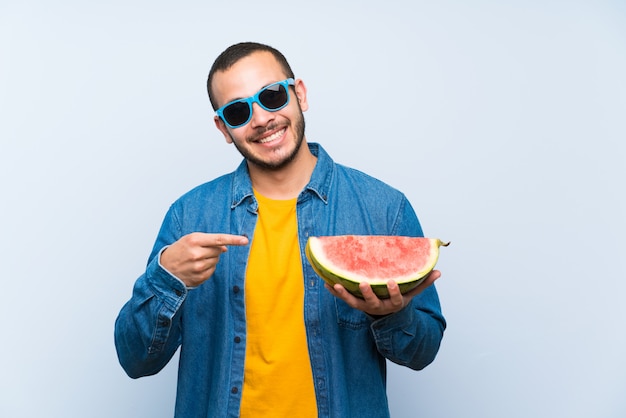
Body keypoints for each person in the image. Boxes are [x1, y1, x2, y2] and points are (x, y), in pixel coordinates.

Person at [114, 41, 446, 418]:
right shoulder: (189, 216)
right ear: (224, 129)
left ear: (299, 94)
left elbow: (423, 352)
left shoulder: (383, 208)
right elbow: (135, 361)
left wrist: (391, 314)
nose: (260, 119)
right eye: (238, 111)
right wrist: (165, 278)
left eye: (271, 96)